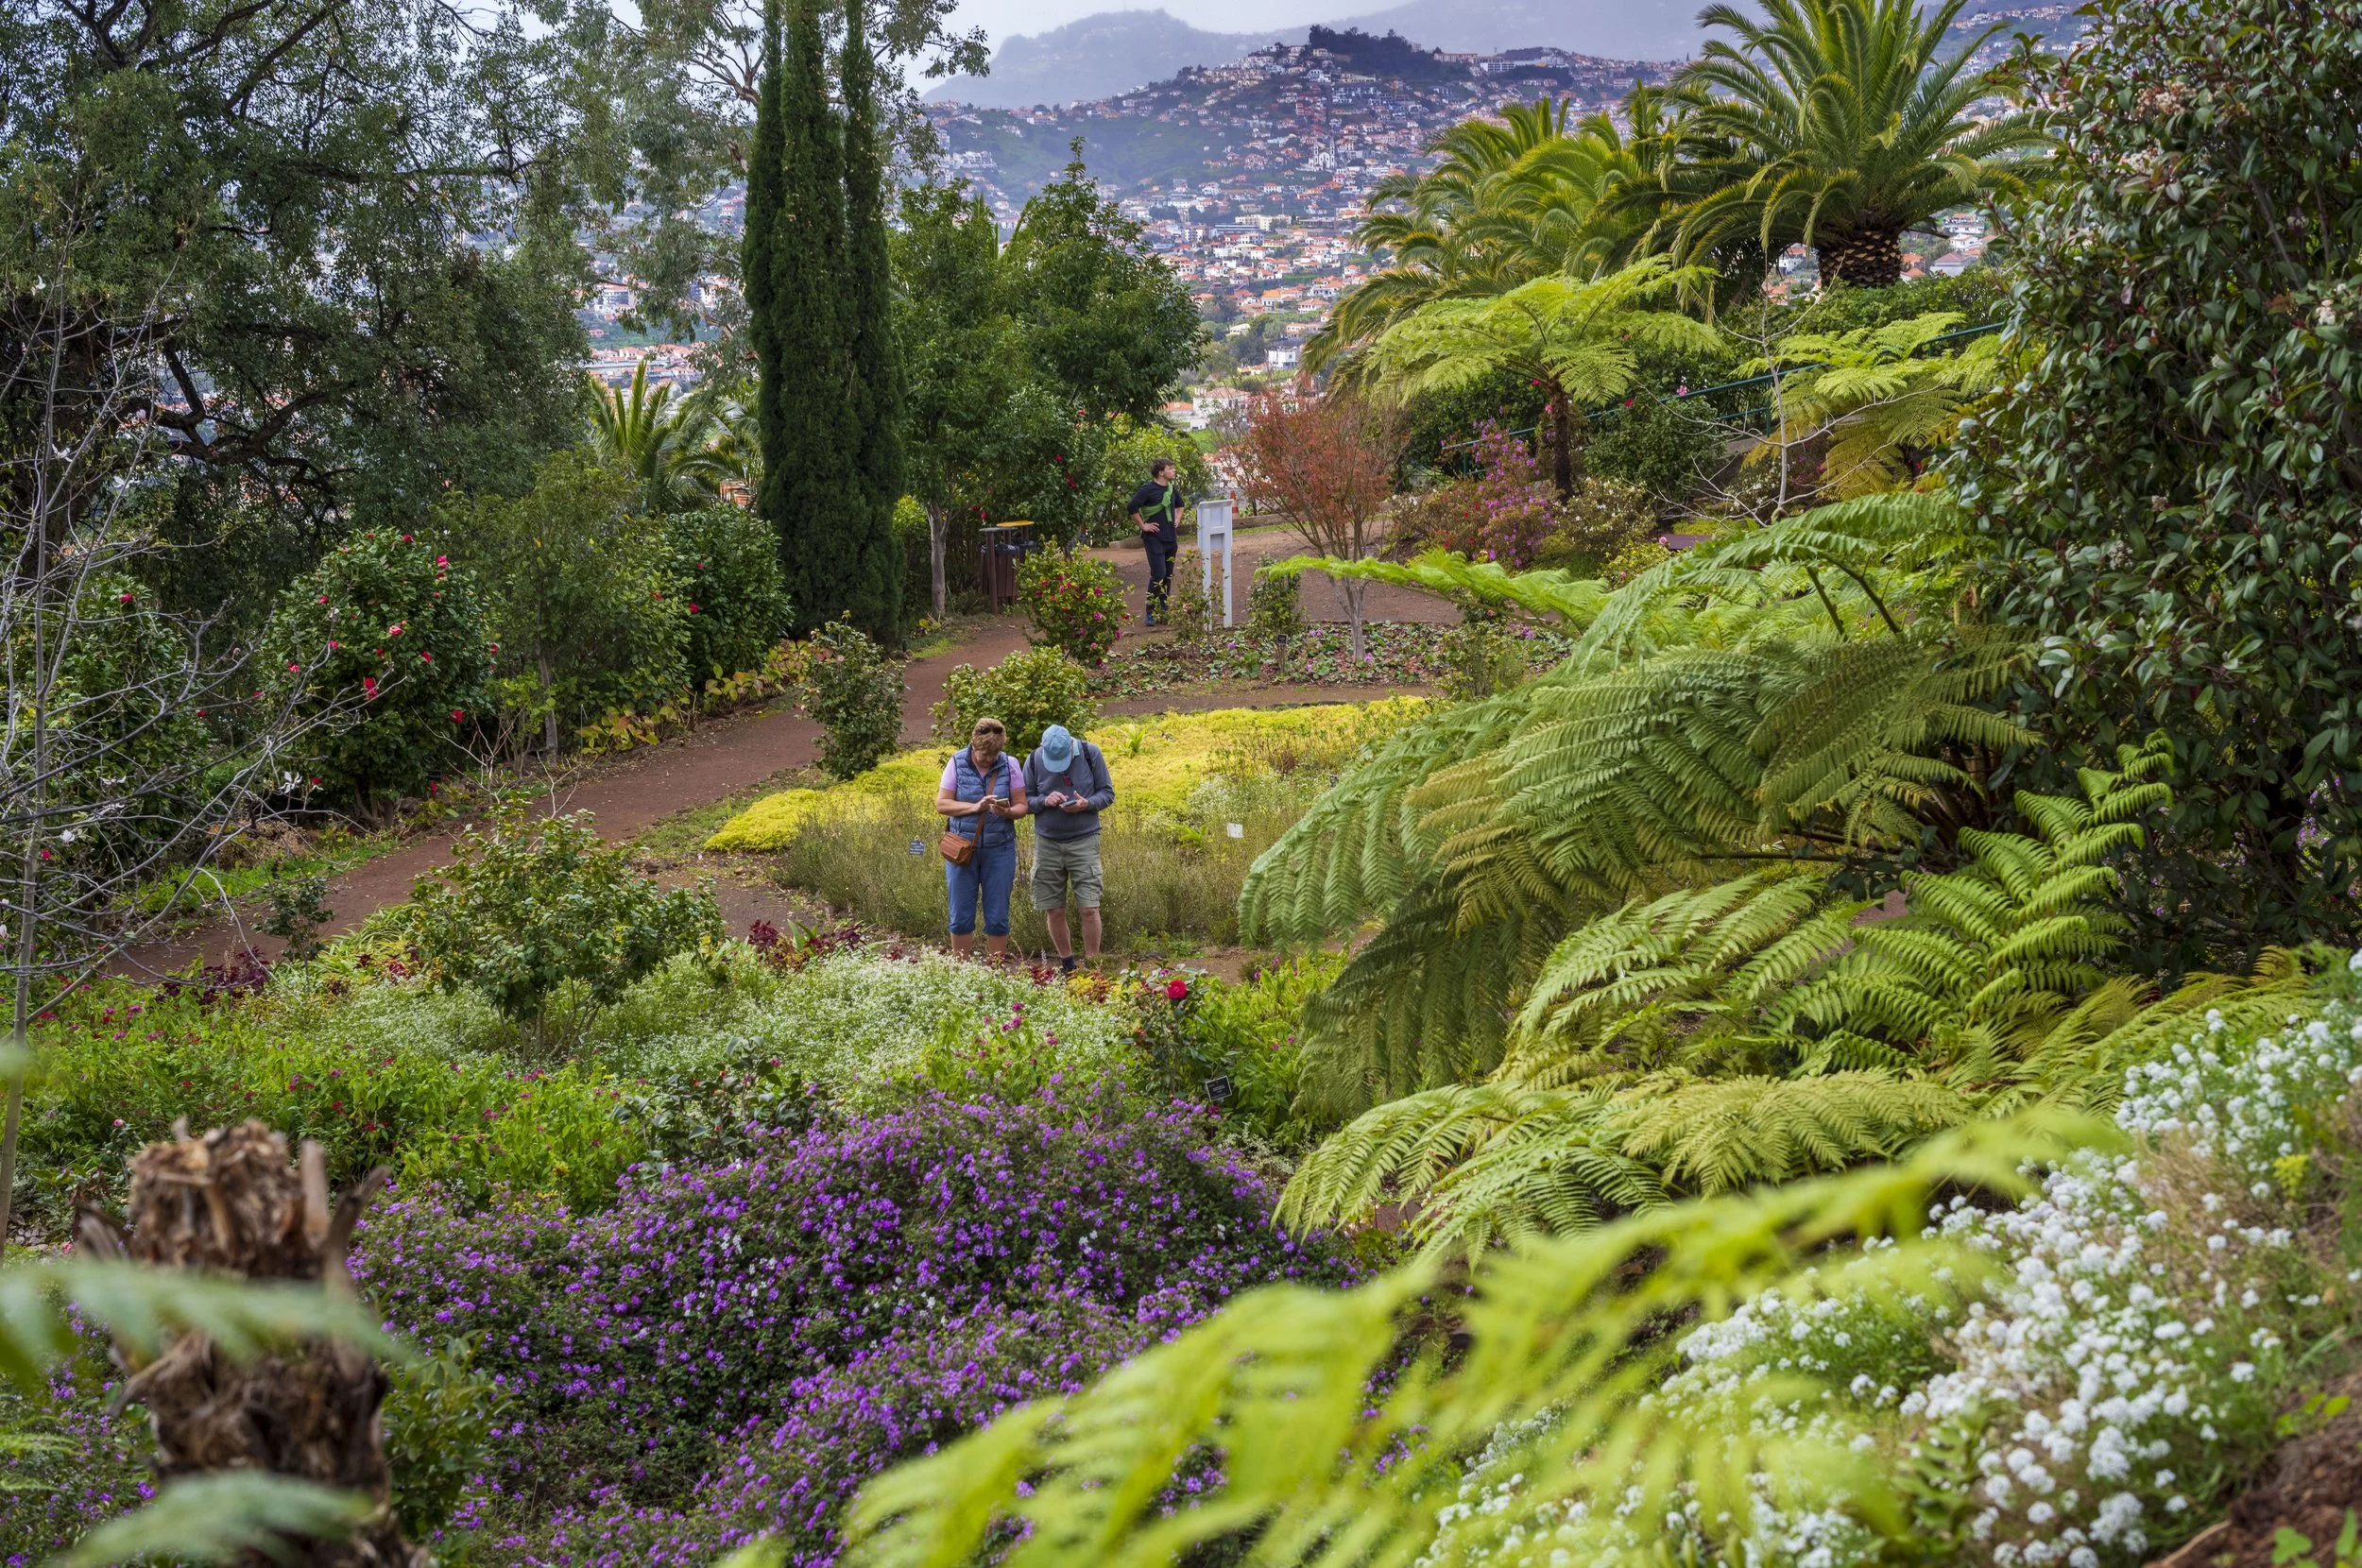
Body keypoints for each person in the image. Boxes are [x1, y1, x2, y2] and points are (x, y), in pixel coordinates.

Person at [1021, 723, 1115, 972]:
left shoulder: (1090, 753)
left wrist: (1086, 804)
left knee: (1089, 907)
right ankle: (1068, 965)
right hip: (1047, 843)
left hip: (1084, 840)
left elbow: (1107, 793)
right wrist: (1044, 800)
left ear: (1072, 746)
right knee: (1054, 908)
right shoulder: (1033, 760)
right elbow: (1024, 801)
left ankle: (1093, 965)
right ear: (1043, 747)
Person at [935, 717, 1026, 963]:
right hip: (962, 849)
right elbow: (942, 804)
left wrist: (1007, 812)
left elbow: (1022, 806)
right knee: (961, 913)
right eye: (984, 754)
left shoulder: (1010, 764)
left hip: (1000, 849)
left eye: (993, 755)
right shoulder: (956, 762)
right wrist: (975, 807)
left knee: (997, 914)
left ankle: (995, 970)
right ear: (973, 745)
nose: (988, 760)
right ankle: (962, 971)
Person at [1128, 457, 1183, 625]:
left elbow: (1180, 505)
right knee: (1158, 574)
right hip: (1154, 540)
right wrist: (1143, 525)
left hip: (1170, 539)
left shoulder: (1171, 489)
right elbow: (1131, 507)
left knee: (1167, 576)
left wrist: (1177, 519)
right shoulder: (1148, 490)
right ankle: (1150, 612)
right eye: (1170, 468)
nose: (1173, 470)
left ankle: (1164, 610)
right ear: (1161, 472)